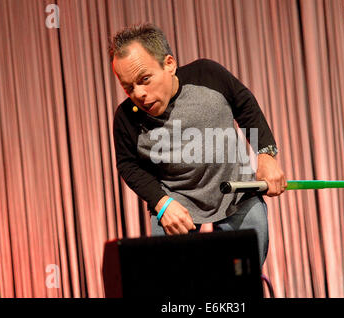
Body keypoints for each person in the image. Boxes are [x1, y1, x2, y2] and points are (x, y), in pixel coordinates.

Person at [110, 23, 287, 266]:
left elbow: (245, 106)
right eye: (128, 87)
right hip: (175, 202)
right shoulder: (126, 118)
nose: (138, 94)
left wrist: (266, 155)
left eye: (145, 79)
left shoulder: (207, 74)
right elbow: (128, 166)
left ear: (169, 64)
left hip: (235, 192)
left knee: (241, 277)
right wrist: (162, 204)